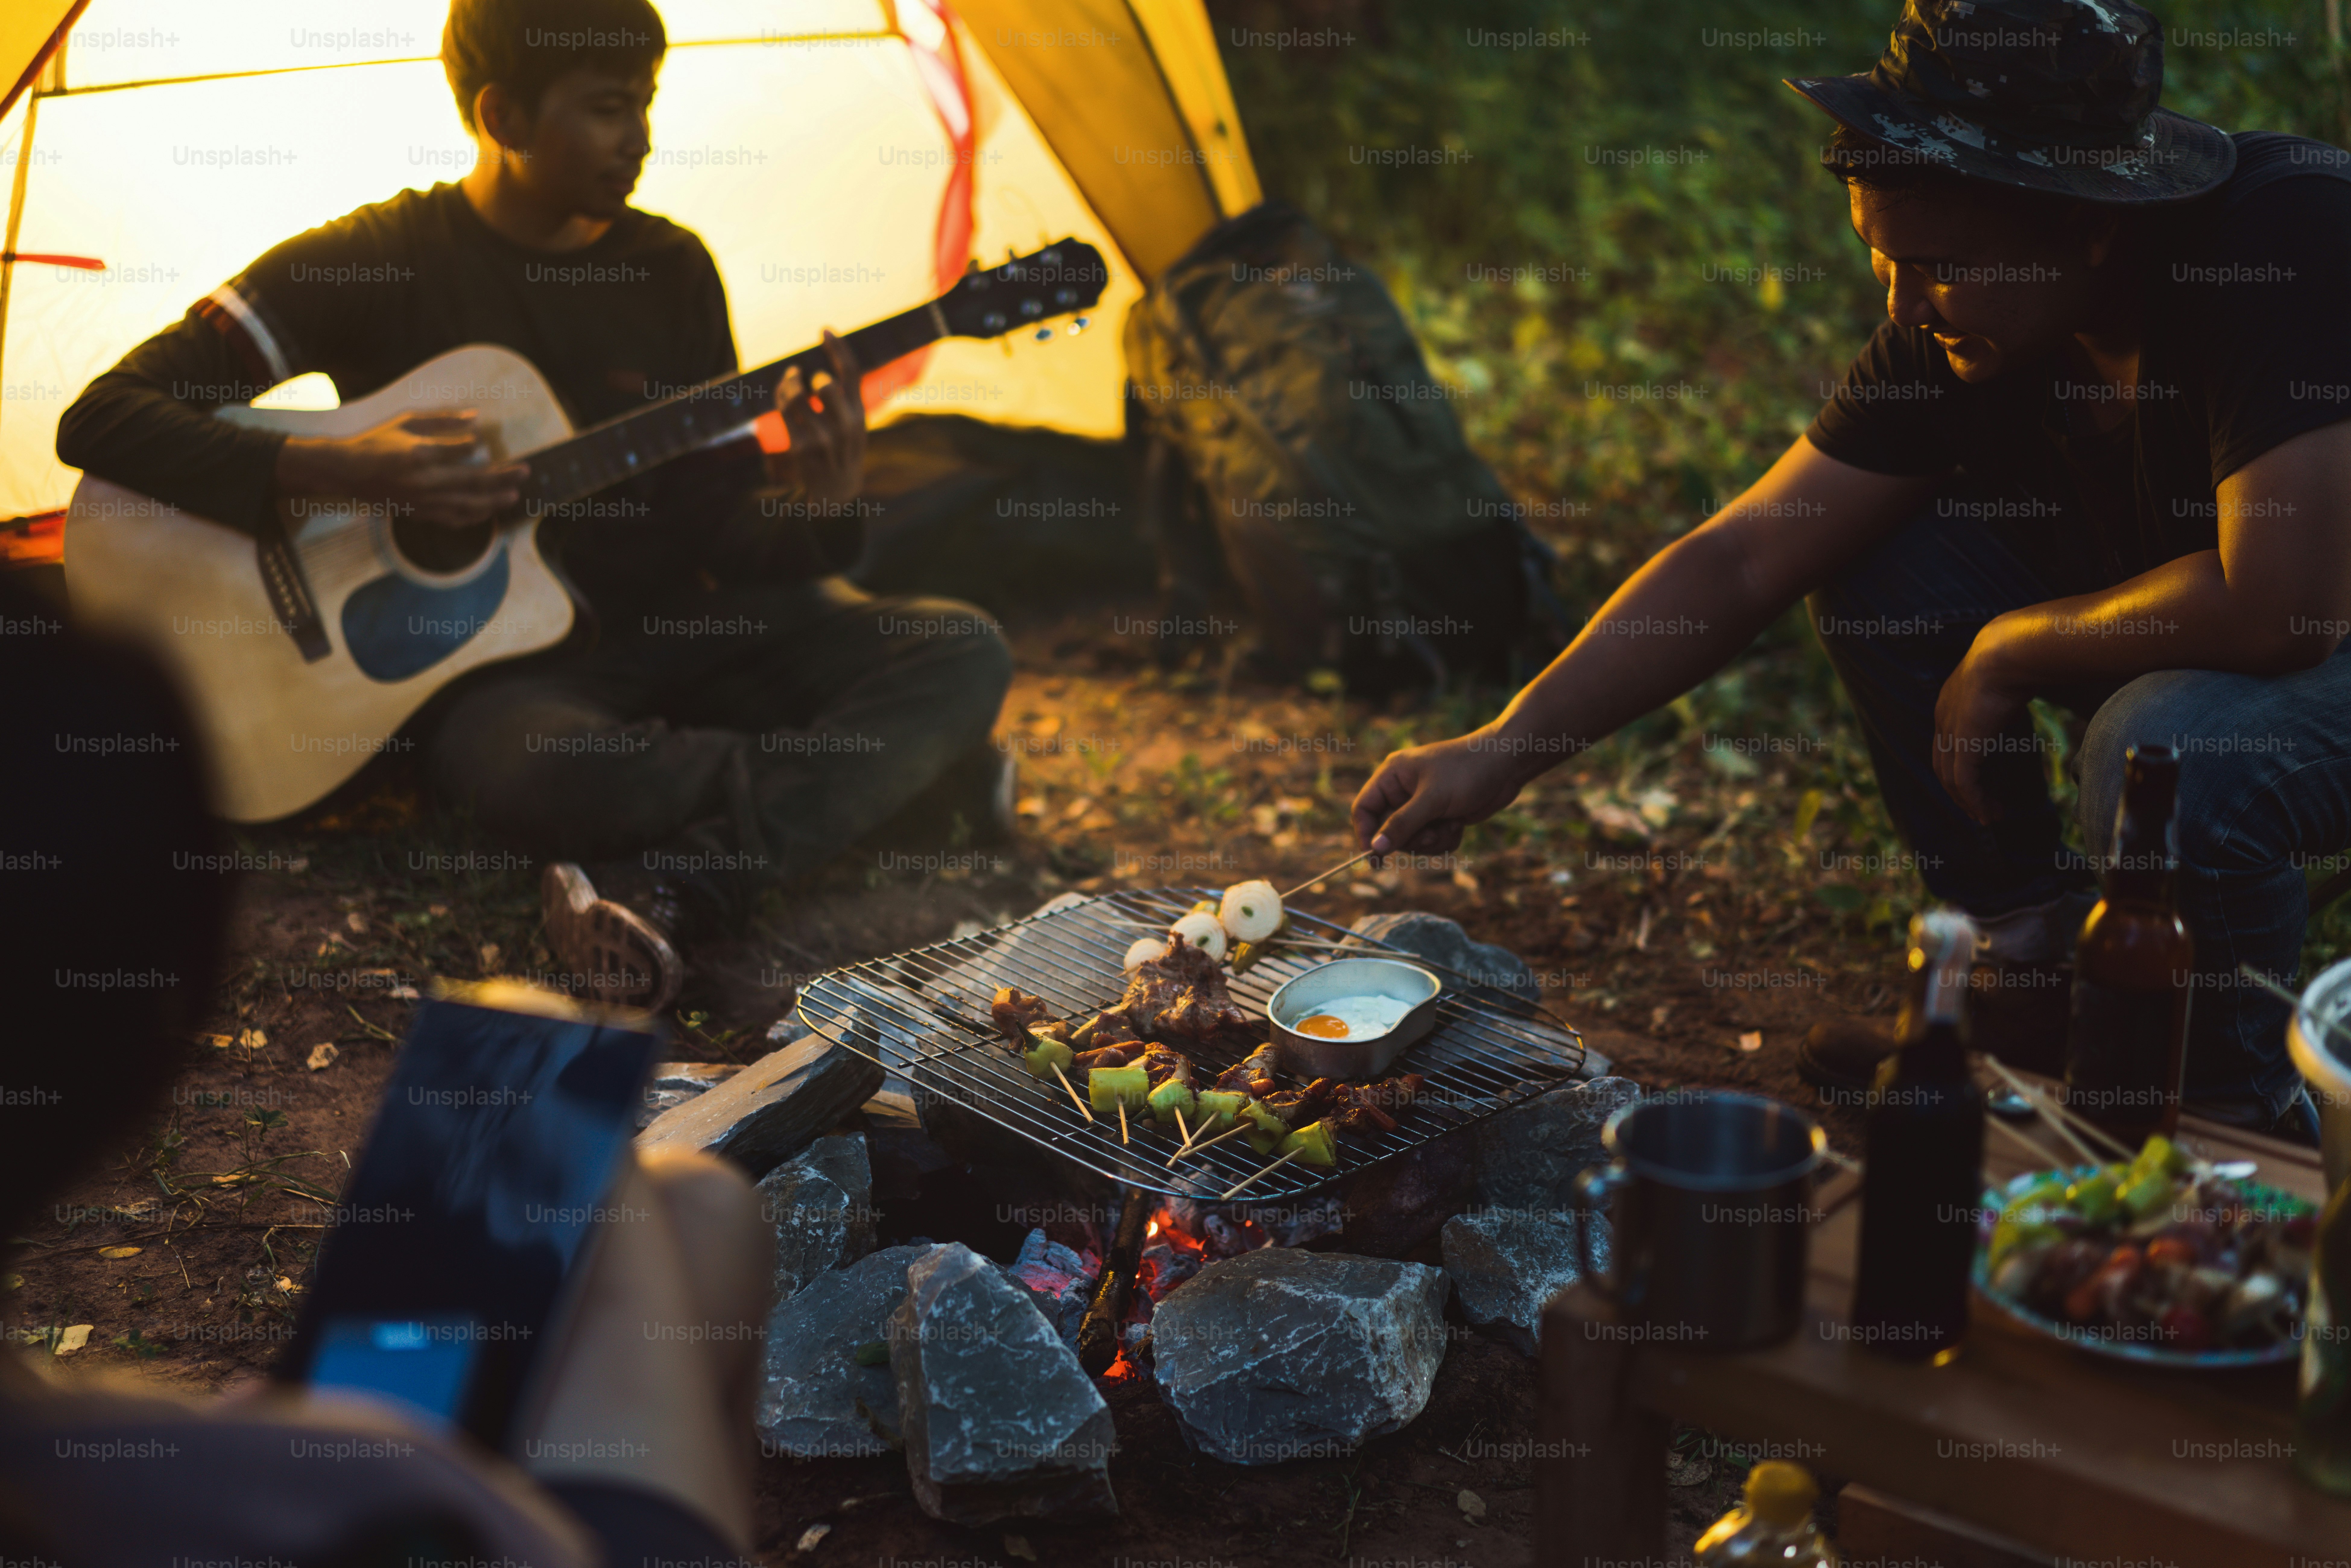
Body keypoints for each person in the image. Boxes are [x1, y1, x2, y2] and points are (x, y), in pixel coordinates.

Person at [1352, 0, 2351, 1140]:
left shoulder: (2285, 238)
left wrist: (2012, 644)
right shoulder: (1970, 321)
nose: (1903, 306)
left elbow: (2286, 607)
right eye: (1884, 260)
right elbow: (1744, 557)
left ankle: (2232, 1142)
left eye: (1938, 267)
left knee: (2168, 741)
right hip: (2254, 613)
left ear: (2089, 221)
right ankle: (2035, 976)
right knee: (1886, 568)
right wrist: (1498, 750)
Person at [55, 0, 1016, 1018]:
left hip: (686, 636)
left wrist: (824, 505)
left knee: (959, 649)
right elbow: (105, 417)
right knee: (544, 779)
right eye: (607, 109)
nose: (639, 138)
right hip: (516, 682)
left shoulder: (671, 270)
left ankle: (686, 879)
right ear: (502, 114)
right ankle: (896, 782)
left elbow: (722, 529)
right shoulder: (378, 258)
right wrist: (348, 473)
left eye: (645, 104)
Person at [0, 568, 773, 1564]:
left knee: (690, 1206)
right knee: (571, 1103)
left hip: (629, 670)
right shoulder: (367, 1508)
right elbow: (121, 413)